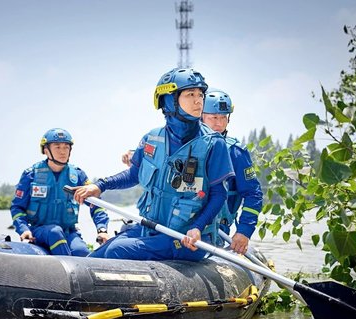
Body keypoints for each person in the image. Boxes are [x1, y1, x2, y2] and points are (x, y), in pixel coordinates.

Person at [73, 68, 234, 261]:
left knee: (117, 250)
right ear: (169, 100)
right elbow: (134, 175)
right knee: (96, 256)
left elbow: (219, 195)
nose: (198, 100)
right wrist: (100, 186)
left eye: (200, 94)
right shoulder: (152, 138)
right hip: (151, 227)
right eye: (190, 94)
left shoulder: (214, 144)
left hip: (185, 237)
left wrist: (197, 227)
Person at [10, 128, 110, 256]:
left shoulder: (77, 176)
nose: (63, 151)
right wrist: (23, 229)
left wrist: (102, 229)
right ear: (46, 150)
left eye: (66, 147)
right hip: (39, 231)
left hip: (69, 232)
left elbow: (96, 205)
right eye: (57, 147)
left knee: (81, 251)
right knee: (55, 232)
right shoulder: (31, 174)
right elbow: (17, 207)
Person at [201, 90, 263, 254]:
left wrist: (244, 231)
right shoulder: (189, 146)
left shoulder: (235, 152)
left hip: (214, 232)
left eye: (223, 117)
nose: (219, 123)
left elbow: (253, 194)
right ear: (201, 117)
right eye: (214, 118)